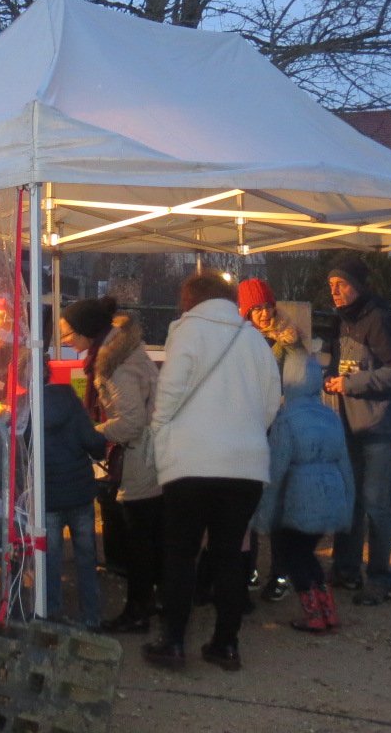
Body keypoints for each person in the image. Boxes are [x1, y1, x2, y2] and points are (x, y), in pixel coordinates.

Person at [143, 271, 281, 672]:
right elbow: (272, 401)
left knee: (182, 554)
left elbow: (168, 395)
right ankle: (226, 644)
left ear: (189, 301)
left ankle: (173, 641)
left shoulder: (187, 332)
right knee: (229, 557)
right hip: (244, 466)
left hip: (191, 463)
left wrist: (160, 432)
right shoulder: (254, 338)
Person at [59, 296, 163, 634]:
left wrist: (89, 433)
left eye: (67, 334)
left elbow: (131, 422)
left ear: (88, 332)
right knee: (146, 535)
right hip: (148, 451)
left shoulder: (115, 365)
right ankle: (151, 602)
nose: (64, 341)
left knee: (141, 538)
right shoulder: (118, 354)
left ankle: (138, 612)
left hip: (142, 455)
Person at [322, 257, 391, 606]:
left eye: (341, 284)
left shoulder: (379, 319)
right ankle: (345, 568)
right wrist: (330, 379)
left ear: (358, 286)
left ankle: (379, 579)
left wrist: (352, 383)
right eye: (331, 286)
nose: (335, 292)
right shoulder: (341, 322)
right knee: (351, 501)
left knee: (376, 506)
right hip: (351, 427)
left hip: (380, 428)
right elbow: (339, 367)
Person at [256, 357, 355, 634]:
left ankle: (313, 615)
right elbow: (345, 464)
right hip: (331, 493)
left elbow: (277, 468)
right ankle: (328, 611)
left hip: (300, 496)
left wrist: (266, 511)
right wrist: (347, 505)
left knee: (294, 555)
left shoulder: (286, 419)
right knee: (308, 553)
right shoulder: (330, 416)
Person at [237, 277, 315, 601]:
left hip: (282, 429)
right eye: (256, 309)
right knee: (252, 503)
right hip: (253, 430)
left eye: (267, 306)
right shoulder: (240, 341)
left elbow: (301, 383)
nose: (263, 314)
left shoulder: (290, 341)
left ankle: (280, 573)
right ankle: (250, 568)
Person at [40, 359, 108, 629]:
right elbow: (92, 441)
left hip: (49, 498)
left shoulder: (26, 410)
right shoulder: (69, 397)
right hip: (80, 493)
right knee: (85, 556)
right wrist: (101, 451)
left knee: (50, 559)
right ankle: (91, 616)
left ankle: (52, 615)